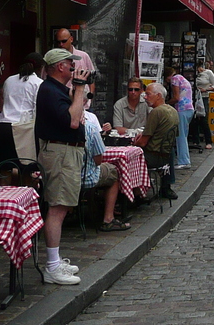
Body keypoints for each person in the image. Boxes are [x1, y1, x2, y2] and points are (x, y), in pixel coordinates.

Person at [34, 47, 90, 285]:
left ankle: (55, 261)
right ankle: (52, 266)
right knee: (57, 207)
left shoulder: (55, 89)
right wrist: (78, 88)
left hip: (65, 152)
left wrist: (77, 91)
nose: (73, 67)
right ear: (60, 67)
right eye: (70, 63)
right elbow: (74, 121)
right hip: (60, 153)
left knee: (63, 205)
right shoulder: (49, 90)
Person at [80, 91, 128, 232]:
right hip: (84, 178)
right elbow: (98, 159)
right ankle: (108, 218)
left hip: (60, 176)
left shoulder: (56, 123)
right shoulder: (90, 127)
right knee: (113, 172)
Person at [0, 52, 44, 164]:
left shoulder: (9, 80)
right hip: (23, 130)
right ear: (41, 68)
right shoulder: (38, 83)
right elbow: (37, 109)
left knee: (4, 171)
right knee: (27, 171)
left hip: (3, 128)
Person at [134, 82, 179, 200]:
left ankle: (135, 194)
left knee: (128, 158)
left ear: (158, 96)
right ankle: (165, 187)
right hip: (166, 156)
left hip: (153, 156)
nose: (145, 97)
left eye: (148, 94)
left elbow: (143, 142)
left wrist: (134, 142)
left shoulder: (156, 112)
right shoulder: (173, 111)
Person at [165, 67, 195, 169]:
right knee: (183, 135)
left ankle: (184, 161)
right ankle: (185, 159)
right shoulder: (182, 78)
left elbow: (176, 98)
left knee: (180, 136)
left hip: (182, 109)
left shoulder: (175, 79)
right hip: (189, 108)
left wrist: (166, 103)